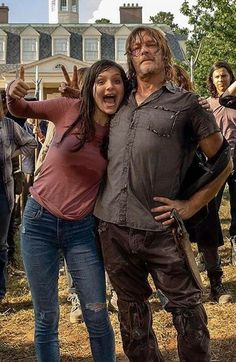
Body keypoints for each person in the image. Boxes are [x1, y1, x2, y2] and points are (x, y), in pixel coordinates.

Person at [94, 27, 232, 362]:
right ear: (130, 56)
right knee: (132, 316)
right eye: (136, 46)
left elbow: (223, 160)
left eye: (152, 45)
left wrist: (192, 204)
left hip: (163, 230)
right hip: (113, 228)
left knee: (188, 315)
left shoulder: (186, 104)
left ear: (164, 53)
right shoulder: (117, 104)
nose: (144, 50)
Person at [7, 59, 128, 362]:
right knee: (46, 317)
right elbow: (21, 109)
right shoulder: (68, 108)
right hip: (38, 223)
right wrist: (12, 92)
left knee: (97, 316)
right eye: (100, 81)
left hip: (81, 230)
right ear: (91, 87)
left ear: (125, 89)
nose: (109, 87)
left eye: (116, 81)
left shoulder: (124, 129)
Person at [172, 64, 232, 303]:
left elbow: (215, 148)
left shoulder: (197, 106)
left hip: (195, 176)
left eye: (177, 82)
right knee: (173, 237)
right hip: (168, 181)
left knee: (208, 231)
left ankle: (216, 284)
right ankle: (183, 288)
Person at [0, 91, 37, 302]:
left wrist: (11, 152)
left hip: (3, 192)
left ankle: (1, 290)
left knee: (1, 244)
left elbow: (30, 143)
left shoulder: (8, 126)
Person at [207, 61, 236, 265]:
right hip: (215, 165)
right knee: (210, 209)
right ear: (211, 80)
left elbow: (227, 97)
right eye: (217, 76)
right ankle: (209, 253)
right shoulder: (206, 104)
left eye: (224, 75)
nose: (221, 79)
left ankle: (235, 247)